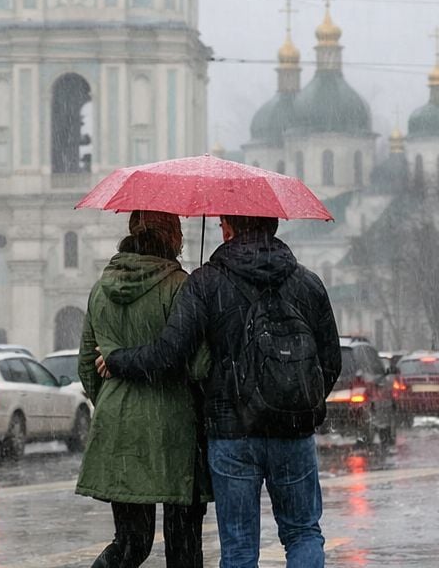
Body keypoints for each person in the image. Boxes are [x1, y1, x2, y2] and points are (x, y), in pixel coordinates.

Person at [98, 213, 341, 568]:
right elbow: (330, 361)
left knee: (240, 547)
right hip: (293, 432)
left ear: (227, 227)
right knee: (303, 533)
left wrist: (118, 360)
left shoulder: (207, 282)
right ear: (273, 225)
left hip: (232, 433)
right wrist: (299, 406)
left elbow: (170, 354)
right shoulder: (307, 282)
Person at [76, 210, 211, 568]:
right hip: (174, 431)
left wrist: (112, 402)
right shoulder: (180, 285)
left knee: (131, 541)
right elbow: (199, 366)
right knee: (183, 545)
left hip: (118, 426)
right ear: (171, 236)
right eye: (178, 231)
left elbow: (85, 367)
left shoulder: (100, 289)